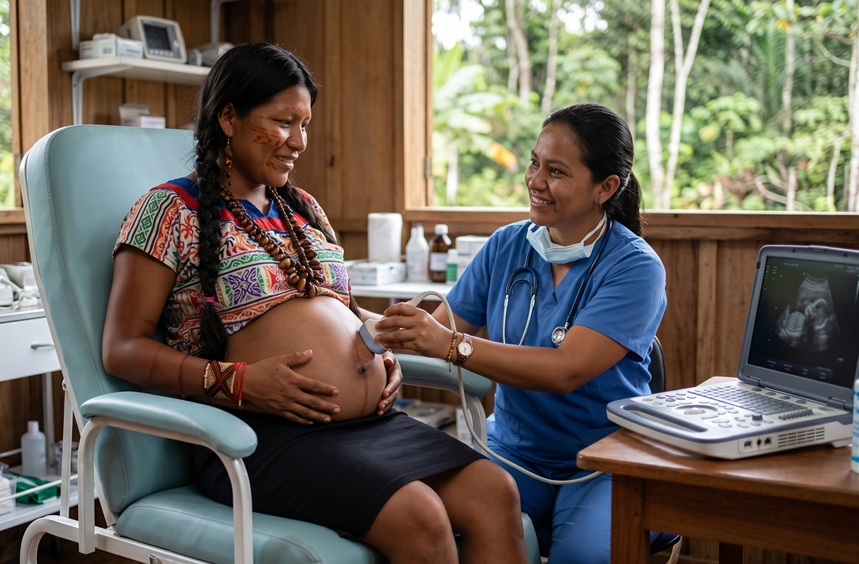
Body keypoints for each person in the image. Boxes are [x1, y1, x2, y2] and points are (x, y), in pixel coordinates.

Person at [101, 42, 527, 564]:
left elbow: (338, 311)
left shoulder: (302, 208)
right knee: (420, 516)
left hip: (363, 427)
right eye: (283, 122)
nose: (298, 142)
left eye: (305, 124)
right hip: (254, 434)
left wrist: (381, 352)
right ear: (228, 117)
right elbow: (122, 349)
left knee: (496, 491)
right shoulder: (170, 210)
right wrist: (239, 381)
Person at [373, 102, 667, 563]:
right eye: (534, 162)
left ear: (605, 187)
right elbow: (439, 327)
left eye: (556, 171)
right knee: (429, 526)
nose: (534, 180)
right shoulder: (508, 245)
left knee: (584, 556)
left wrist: (448, 345)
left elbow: (565, 370)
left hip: (603, 462)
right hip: (513, 450)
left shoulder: (634, 267)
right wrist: (372, 329)